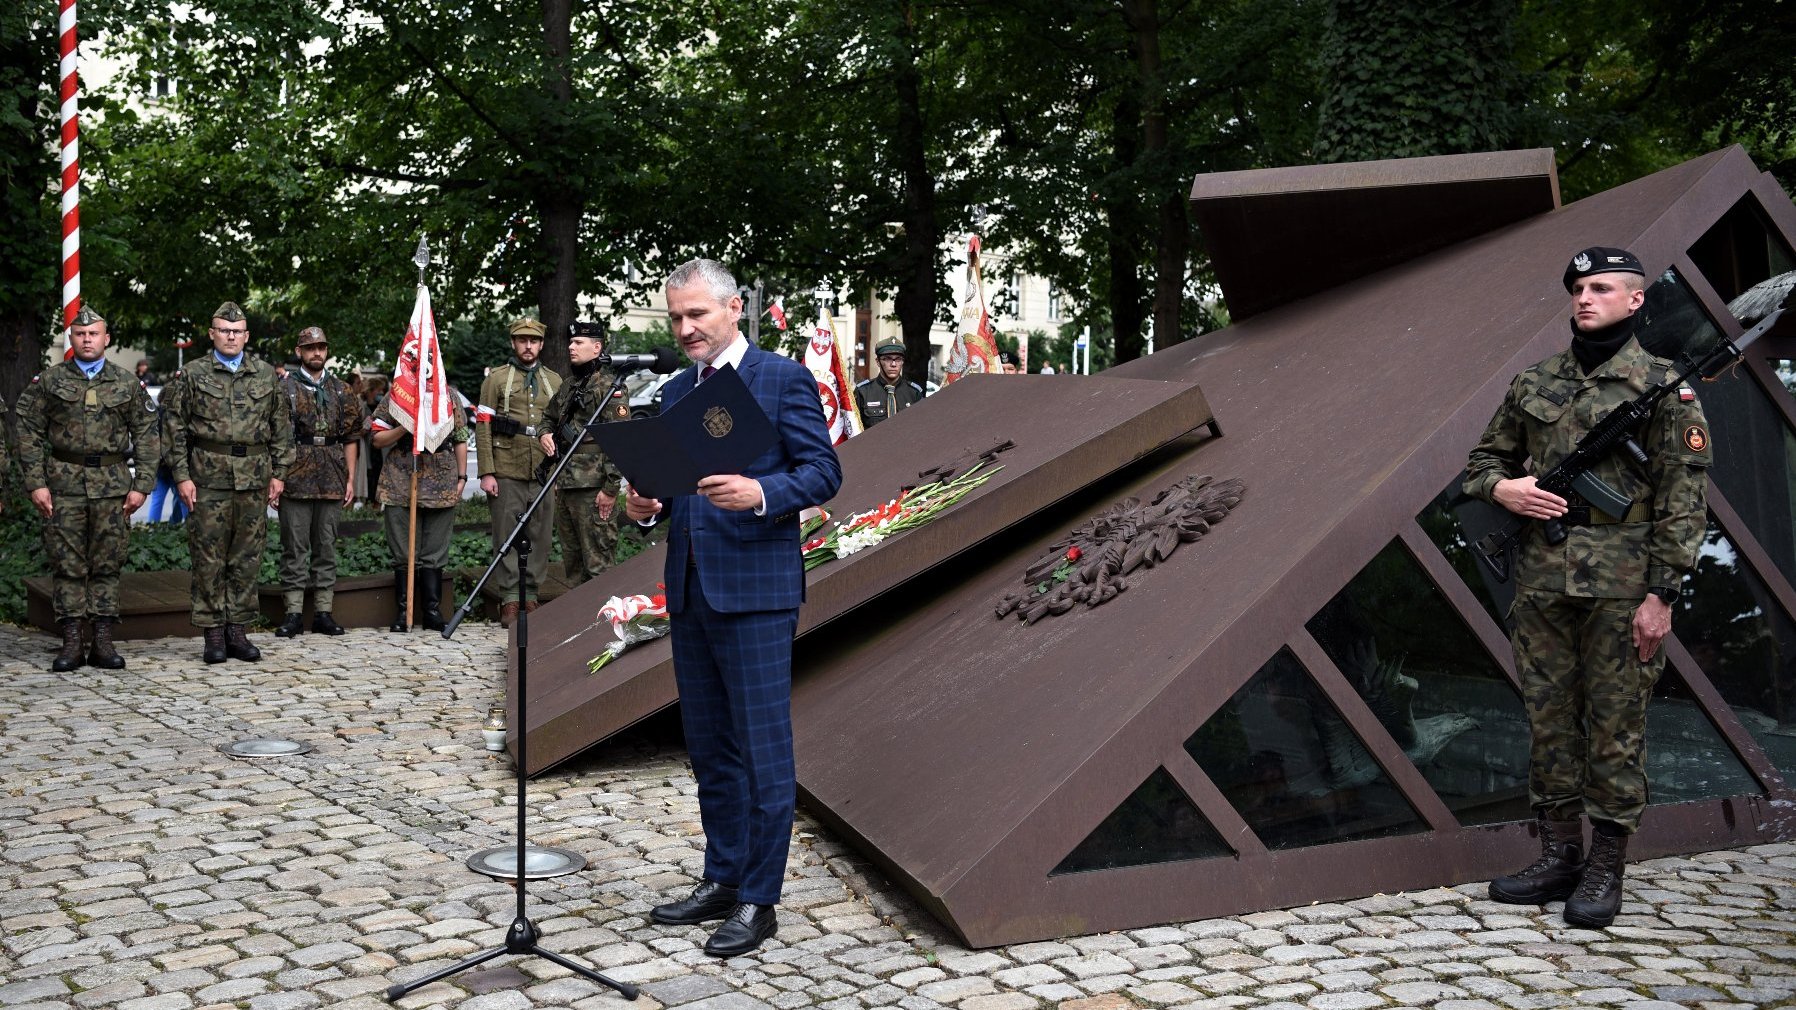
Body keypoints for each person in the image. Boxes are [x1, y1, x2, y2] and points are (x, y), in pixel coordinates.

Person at [1464, 246, 1710, 929]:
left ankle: (1605, 866)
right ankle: (1558, 855)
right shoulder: (1534, 383)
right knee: (1549, 725)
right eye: (1577, 287)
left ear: (1635, 300)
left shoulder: (1664, 389)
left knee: (1614, 730)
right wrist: (1506, 489)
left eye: (1601, 287)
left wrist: (1662, 596)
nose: (1584, 297)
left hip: (1624, 591)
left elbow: (1684, 504)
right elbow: (1483, 461)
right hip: (1542, 584)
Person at [625, 259, 841, 957]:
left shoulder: (779, 379)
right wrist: (644, 505)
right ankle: (721, 878)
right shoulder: (677, 391)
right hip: (690, 589)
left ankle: (759, 899)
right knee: (710, 750)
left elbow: (824, 471)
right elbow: (674, 494)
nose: (686, 329)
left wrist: (763, 494)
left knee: (761, 750)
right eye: (677, 318)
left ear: (734, 309)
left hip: (755, 592)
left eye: (698, 315)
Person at [15, 305, 160, 671]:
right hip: (63, 485)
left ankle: (103, 641)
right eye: (80, 334)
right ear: (71, 339)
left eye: (93, 333)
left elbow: (147, 434)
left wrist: (142, 484)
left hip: (112, 486)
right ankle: (71, 642)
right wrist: (36, 482)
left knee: (107, 564)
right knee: (67, 564)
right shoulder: (50, 381)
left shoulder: (126, 383)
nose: (87, 339)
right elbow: (27, 431)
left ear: (106, 339)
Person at [161, 301, 295, 664]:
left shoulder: (266, 374)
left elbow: (281, 428)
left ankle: (238, 629)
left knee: (247, 558)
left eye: (237, 331)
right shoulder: (192, 374)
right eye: (224, 330)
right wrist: (182, 477)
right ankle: (213, 633)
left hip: (253, 476)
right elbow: (173, 429)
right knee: (208, 557)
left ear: (246, 336)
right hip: (207, 478)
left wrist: (280, 473)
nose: (231, 336)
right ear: (212, 333)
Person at [273, 326, 363, 637]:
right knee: (294, 548)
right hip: (295, 477)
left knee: (326, 546)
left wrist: (350, 478)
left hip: (332, 476)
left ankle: (324, 611)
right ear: (299, 351)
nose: (317, 353)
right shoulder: (284, 389)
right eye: (310, 348)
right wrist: (276, 478)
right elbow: (275, 438)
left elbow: (351, 436)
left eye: (321, 347)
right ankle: (293, 613)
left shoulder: (341, 390)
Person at [477, 318, 561, 626]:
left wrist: (557, 474)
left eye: (533, 341)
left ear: (541, 345)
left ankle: (531, 594)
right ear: (513, 343)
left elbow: (562, 429)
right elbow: (483, 425)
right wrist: (487, 471)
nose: (528, 346)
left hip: (543, 467)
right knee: (507, 532)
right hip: (507, 466)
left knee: (539, 533)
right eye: (522, 340)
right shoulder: (496, 379)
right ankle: (510, 599)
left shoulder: (554, 380)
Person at [370, 382, 470, 632]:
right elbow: (377, 438)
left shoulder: (449, 395)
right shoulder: (397, 393)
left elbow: (460, 438)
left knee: (435, 551)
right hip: (401, 478)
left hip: (441, 477)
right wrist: (405, 427)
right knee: (403, 551)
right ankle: (405, 612)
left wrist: (462, 477)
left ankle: (432, 612)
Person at [538, 322, 629, 588]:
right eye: (571, 342)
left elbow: (621, 441)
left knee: (598, 566)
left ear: (597, 347)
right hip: (566, 484)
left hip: (594, 488)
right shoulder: (569, 386)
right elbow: (548, 417)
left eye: (578, 342)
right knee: (573, 565)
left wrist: (611, 489)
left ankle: (602, 627)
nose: (571, 347)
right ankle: (579, 625)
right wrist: (544, 433)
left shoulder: (611, 388)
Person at [852, 340, 924, 430]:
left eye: (898, 359)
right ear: (878, 362)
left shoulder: (914, 393)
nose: (893, 364)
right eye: (888, 359)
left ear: (902, 362)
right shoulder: (862, 392)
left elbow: (921, 428)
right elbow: (854, 430)